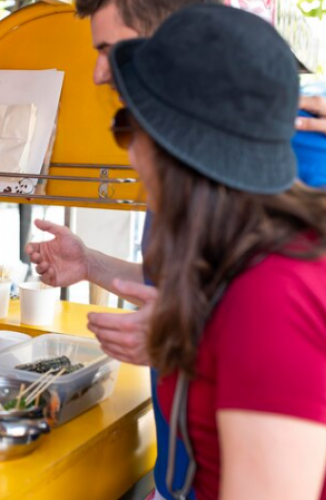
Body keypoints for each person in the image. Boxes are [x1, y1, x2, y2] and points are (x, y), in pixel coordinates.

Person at [108, 4, 326, 499]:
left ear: (172, 149)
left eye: (127, 124)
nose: (126, 150)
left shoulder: (270, 297)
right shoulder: (254, 261)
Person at [28, 1, 218, 498]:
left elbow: (293, 331)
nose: (96, 73)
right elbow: (181, 288)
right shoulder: (172, 162)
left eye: (109, 50)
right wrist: (89, 263)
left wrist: (182, 341)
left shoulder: (280, 169)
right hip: (178, 476)